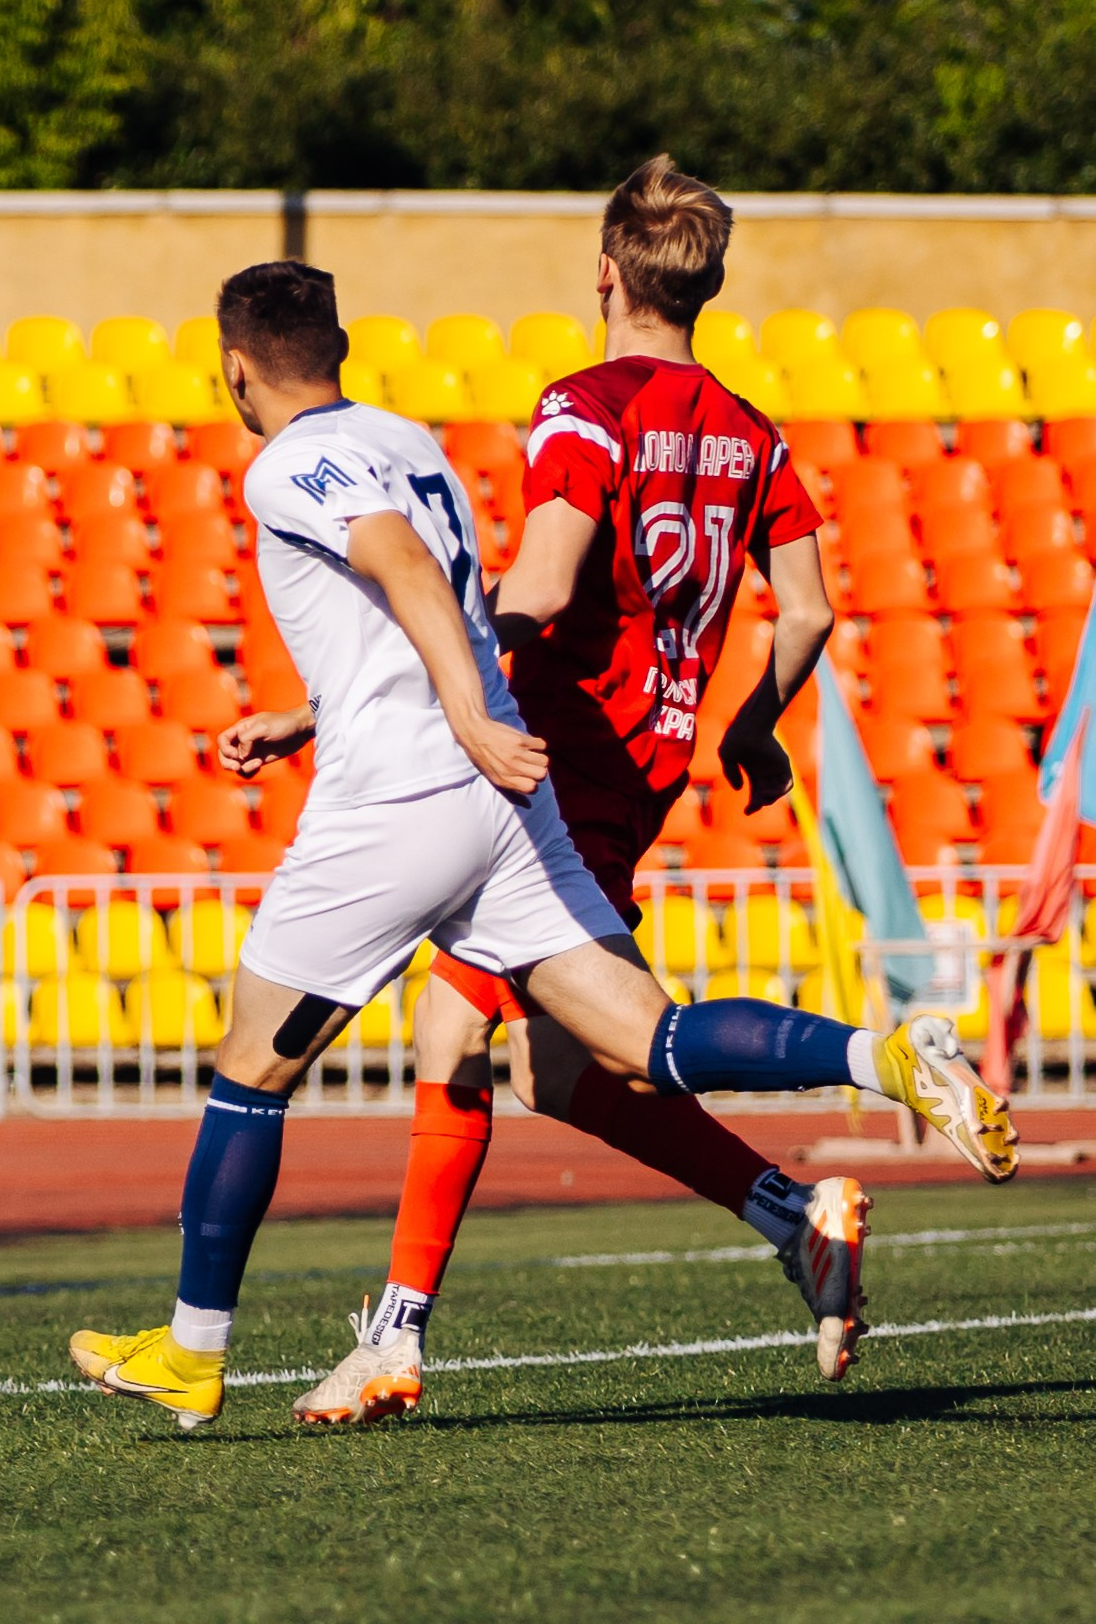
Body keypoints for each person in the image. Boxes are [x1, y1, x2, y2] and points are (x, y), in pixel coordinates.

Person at [66, 257, 1017, 1432]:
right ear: (347, 349)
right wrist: (352, 712)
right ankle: (884, 1057)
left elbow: (407, 571)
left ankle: (197, 1351)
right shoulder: (412, 441)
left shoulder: (284, 461)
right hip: (506, 798)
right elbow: (453, 598)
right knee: (632, 1039)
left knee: (255, 1067)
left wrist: (458, 710)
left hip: (405, 799)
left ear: (235, 371)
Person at [295, 154, 929, 1426]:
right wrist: (752, 723)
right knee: (545, 1067)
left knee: (466, 1035)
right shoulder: (754, 432)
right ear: (706, 285)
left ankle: (398, 1336)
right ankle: (791, 1212)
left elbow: (535, 589)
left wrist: (433, 680)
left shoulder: (585, 408)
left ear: (604, 273)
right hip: (651, 763)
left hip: (553, 757)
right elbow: (805, 610)